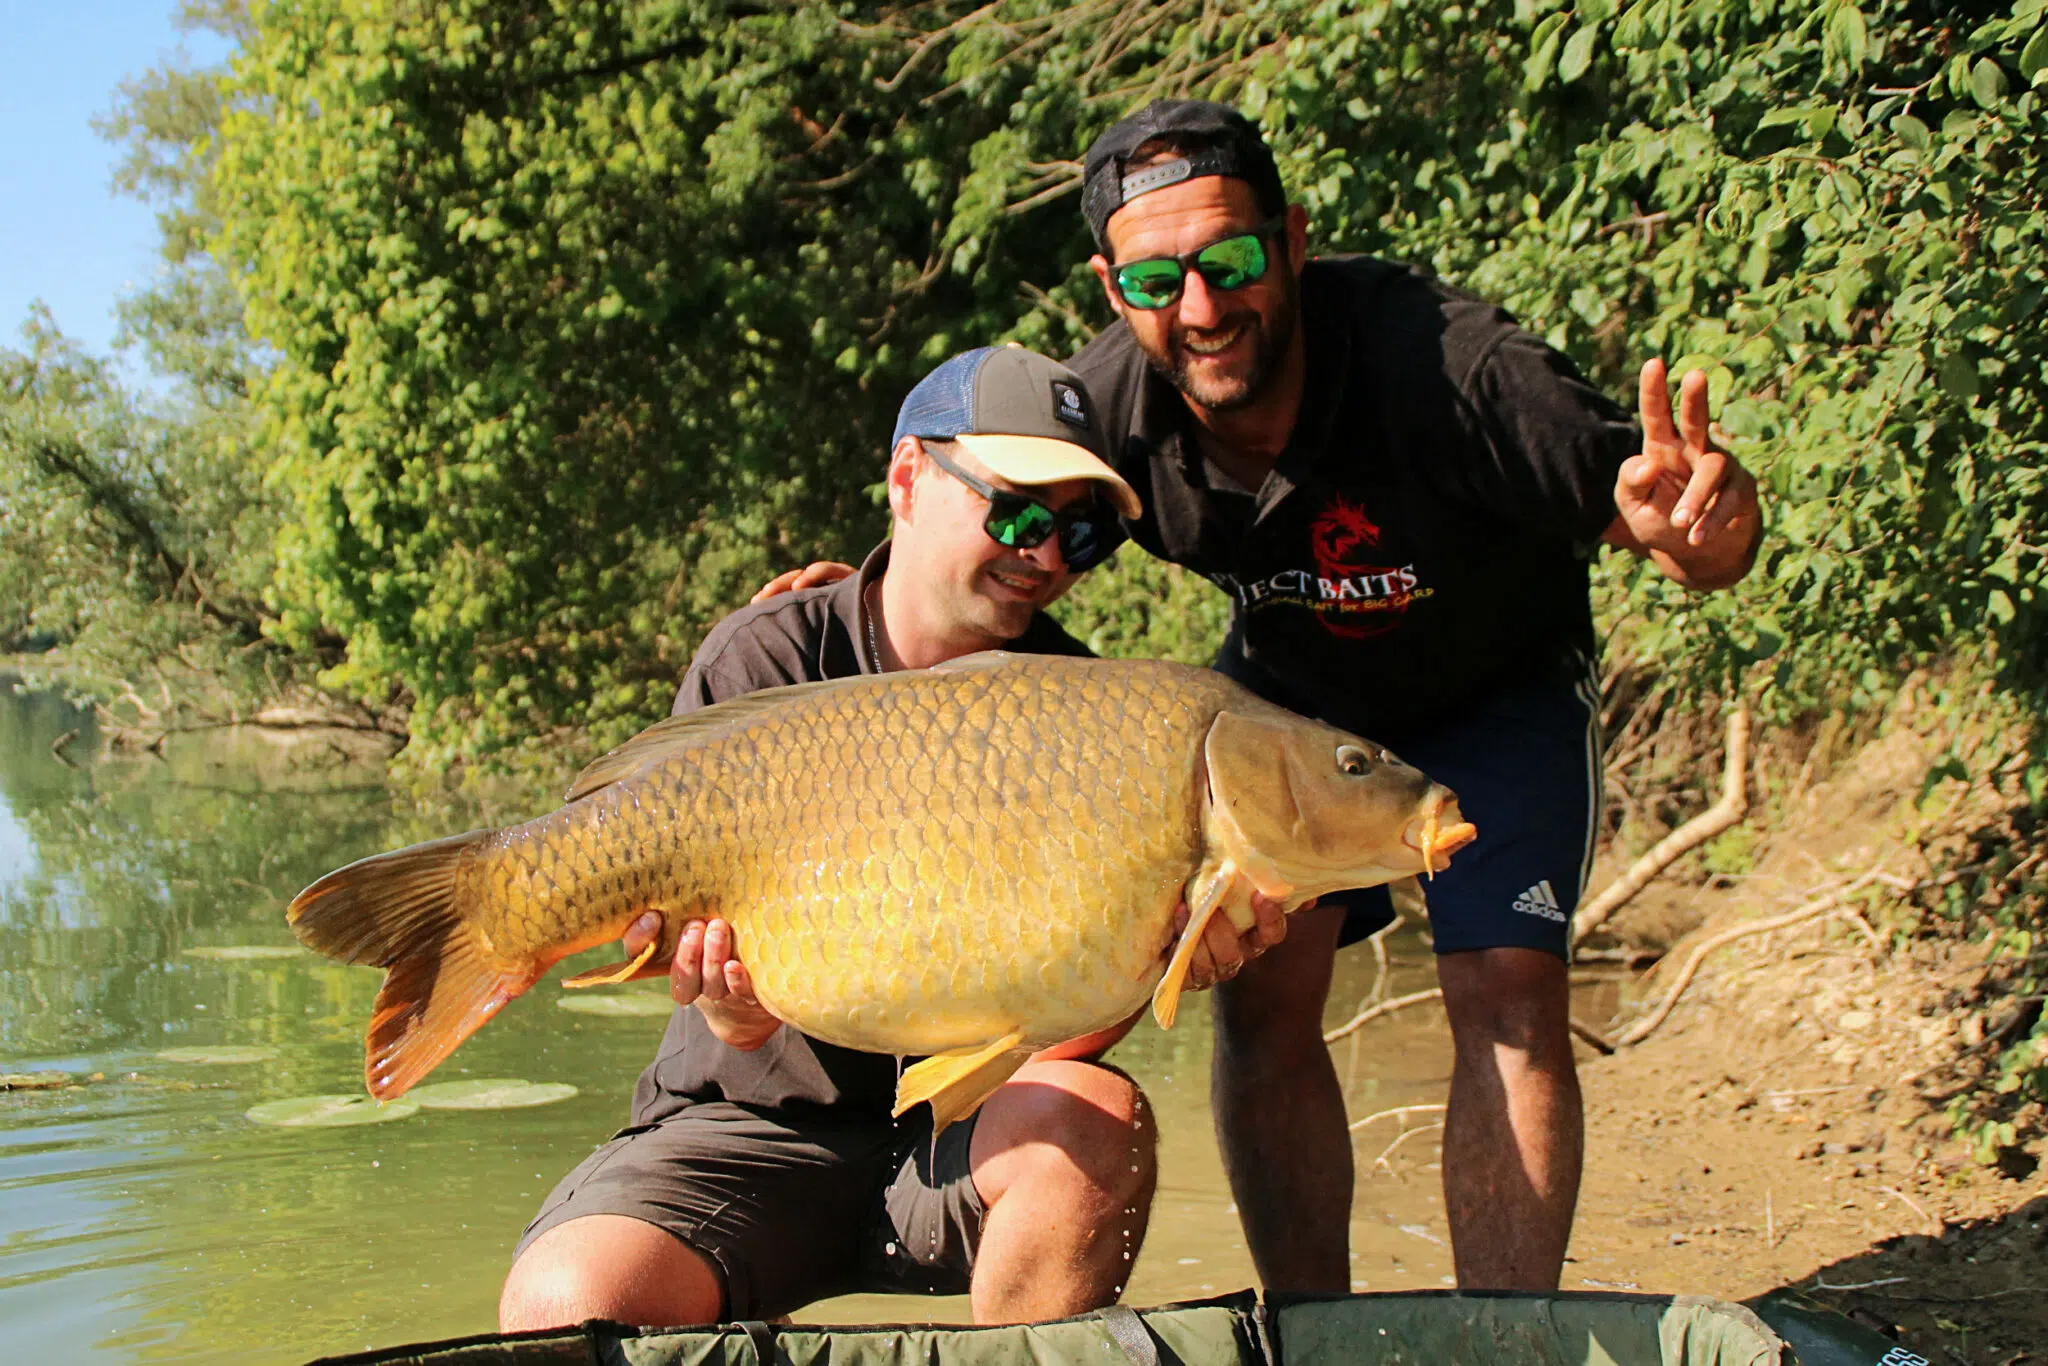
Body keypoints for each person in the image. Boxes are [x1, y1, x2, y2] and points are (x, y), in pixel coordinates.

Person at [753, 102, 1761, 1296]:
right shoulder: (1122, 402)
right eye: (1154, 278)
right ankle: (1309, 1324)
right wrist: (873, 571)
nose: (1199, 308)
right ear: (1111, 286)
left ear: (1288, 242)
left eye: (1227, 262)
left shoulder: (1453, 369)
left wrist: (1704, 536)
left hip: (1496, 690)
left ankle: (1504, 1329)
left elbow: (1672, 520)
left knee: (1502, 987)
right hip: (1289, 698)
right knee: (1258, 989)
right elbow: (981, 497)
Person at [498, 345, 1255, 1332]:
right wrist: (731, 1010)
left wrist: (1154, 965)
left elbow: (1050, 1038)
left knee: (1097, 1124)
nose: (1046, 556)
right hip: (749, 1129)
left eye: (1081, 534)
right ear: (906, 476)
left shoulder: (1094, 714)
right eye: (1019, 513)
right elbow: (690, 962)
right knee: (563, 1306)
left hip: (956, 1142)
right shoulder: (768, 651)